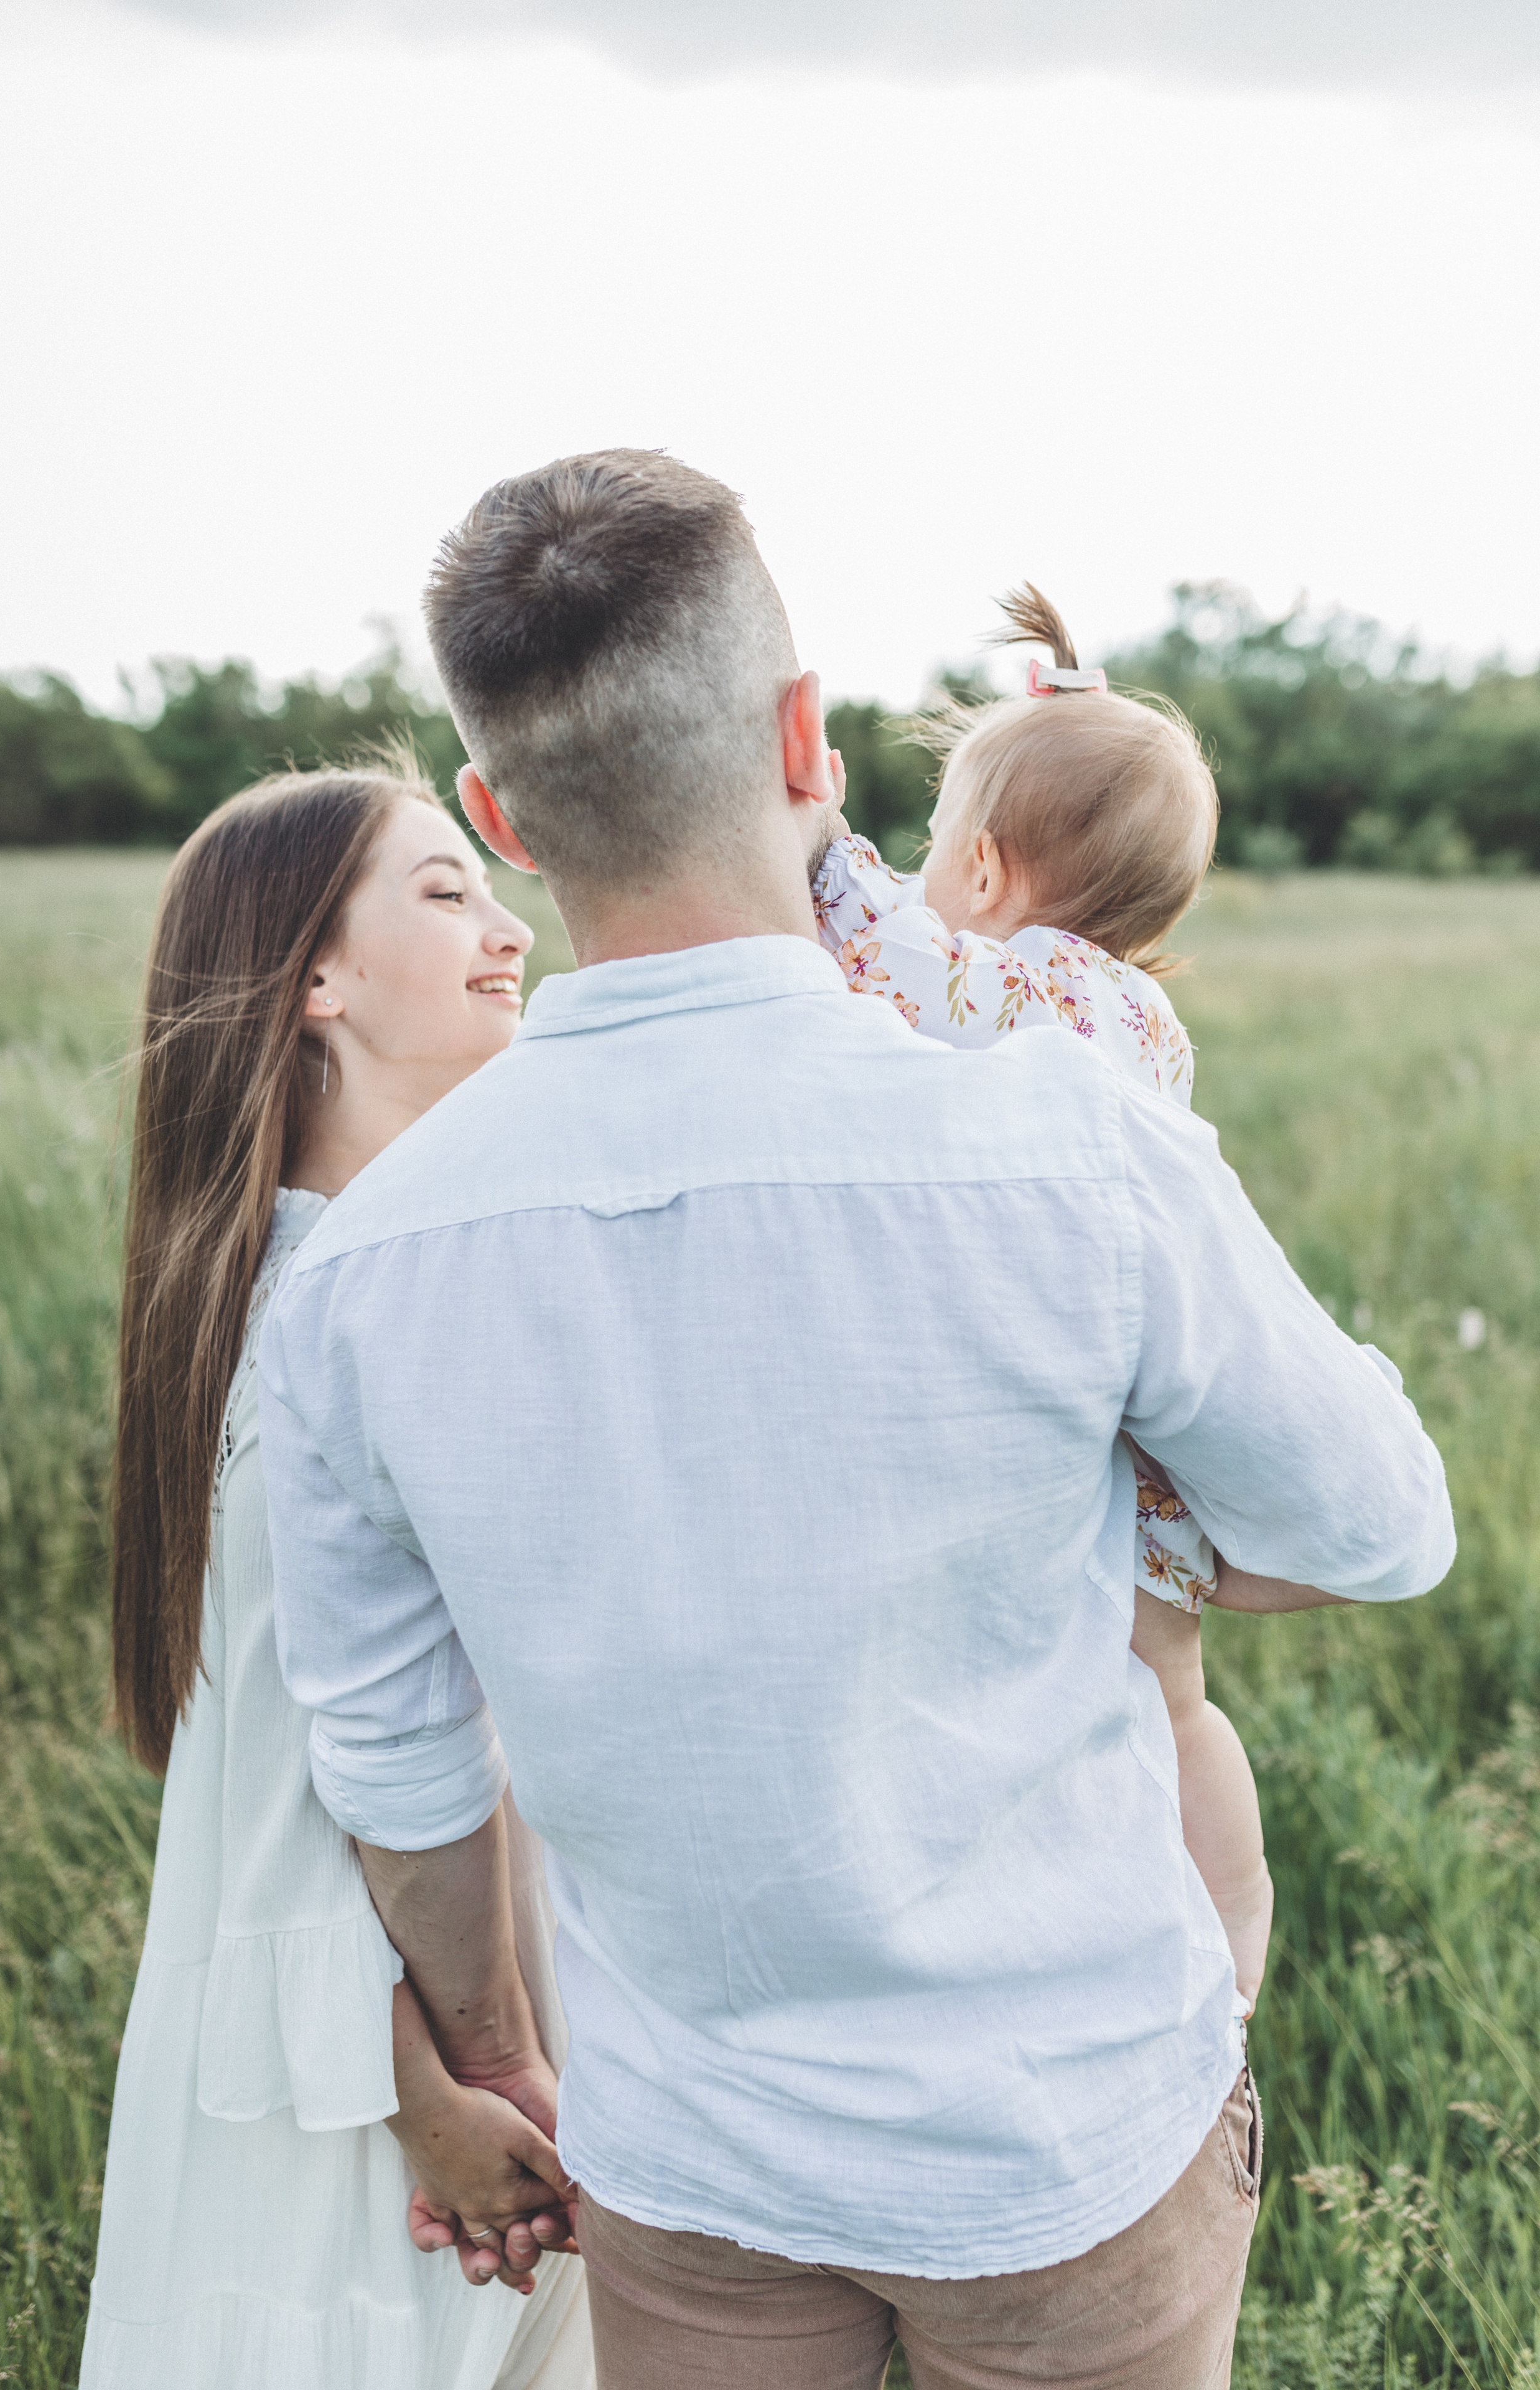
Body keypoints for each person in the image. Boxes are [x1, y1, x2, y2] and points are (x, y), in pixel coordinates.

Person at [259, 451, 1455, 2390]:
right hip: (1067, 2136)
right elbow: (1384, 1527)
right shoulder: (1070, 1141)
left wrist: (492, 2049)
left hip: (688, 2160)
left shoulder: (365, 1271)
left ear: (501, 817)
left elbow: (400, 1769)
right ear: (806, 740)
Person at [81, 764, 594, 2390]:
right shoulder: (327, 1318)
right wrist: (425, 2097)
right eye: (448, 894)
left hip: (457, 2015)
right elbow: (289, 1786)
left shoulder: (350, 1281)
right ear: (315, 977)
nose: (512, 931)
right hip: (357, 2080)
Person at [811, 581, 1277, 2009]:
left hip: (1081, 1423)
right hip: (1143, 1417)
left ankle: (1184, 1929)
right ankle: (1231, 1921)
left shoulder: (1030, 992)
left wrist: (818, 844)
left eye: (933, 850)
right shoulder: (1141, 1012)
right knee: (1171, 1691)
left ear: (986, 873)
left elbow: (881, 950)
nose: (918, 878)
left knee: (1111, 1689)